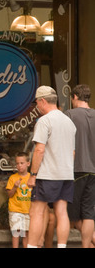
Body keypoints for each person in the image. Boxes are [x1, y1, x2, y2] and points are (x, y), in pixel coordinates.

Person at [27, 85, 76, 248]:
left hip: (47, 175)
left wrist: (32, 174)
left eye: (37, 103)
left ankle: (32, 246)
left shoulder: (44, 121)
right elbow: (73, 153)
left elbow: (39, 150)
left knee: (37, 212)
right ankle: (62, 246)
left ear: (42, 101)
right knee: (62, 212)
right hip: (66, 174)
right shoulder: (69, 122)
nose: (37, 107)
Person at [64, 84, 95, 248]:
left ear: (75, 97)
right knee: (89, 213)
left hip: (76, 169)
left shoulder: (70, 114)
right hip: (93, 171)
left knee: (73, 216)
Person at [6, 152, 32, 248]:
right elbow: (9, 195)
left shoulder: (31, 178)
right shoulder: (13, 178)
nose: (19, 166)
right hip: (15, 210)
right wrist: (14, 187)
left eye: (22, 163)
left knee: (26, 233)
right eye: (17, 163)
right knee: (16, 232)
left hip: (28, 210)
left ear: (28, 163)